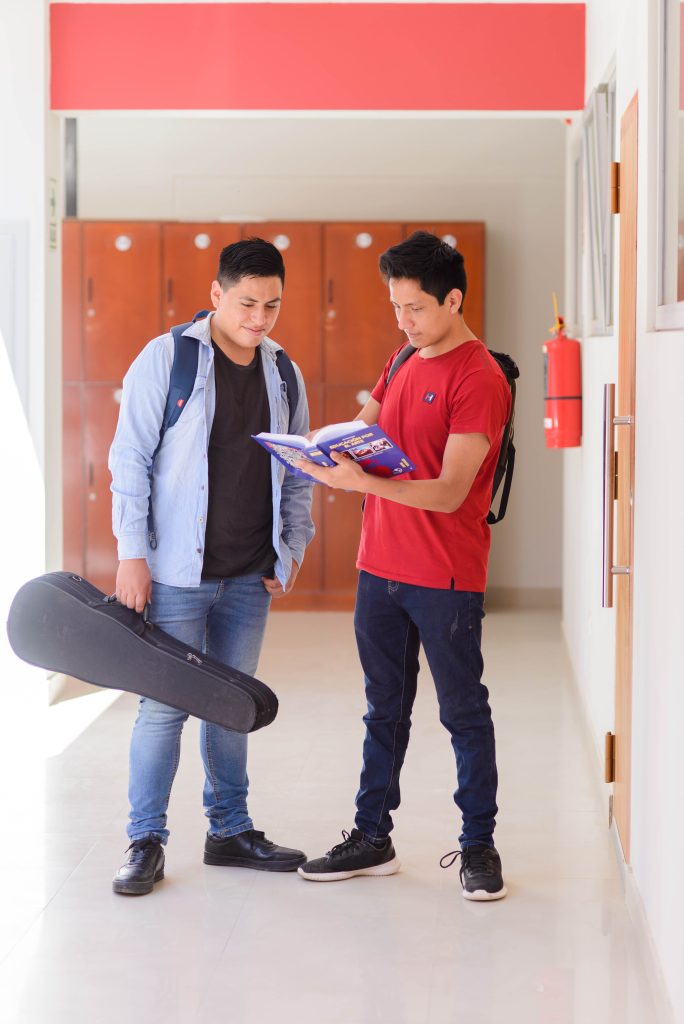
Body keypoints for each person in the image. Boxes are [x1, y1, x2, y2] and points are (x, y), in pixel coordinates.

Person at [297, 231, 510, 900]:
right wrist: (324, 454)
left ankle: (478, 846)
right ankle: (371, 836)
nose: (405, 321)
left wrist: (363, 486)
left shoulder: (480, 377)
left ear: (454, 299)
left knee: (462, 713)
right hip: (379, 568)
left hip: (444, 576)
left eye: (416, 308)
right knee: (382, 708)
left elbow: (449, 492)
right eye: (396, 307)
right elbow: (364, 424)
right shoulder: (404, 357)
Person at [108, 238, 314, 895]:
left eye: (273, 305)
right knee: (164, 709)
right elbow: (129, 460)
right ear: (217, 294)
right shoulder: (168, 359)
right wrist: (130, 555)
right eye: (248, 302)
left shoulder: (284, 371)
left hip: (250, 574)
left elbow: (299, 468)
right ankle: (145, 841)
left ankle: (229, 831)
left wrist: (293, 546)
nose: (260, 317)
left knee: (231, 706)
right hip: (173, 575)